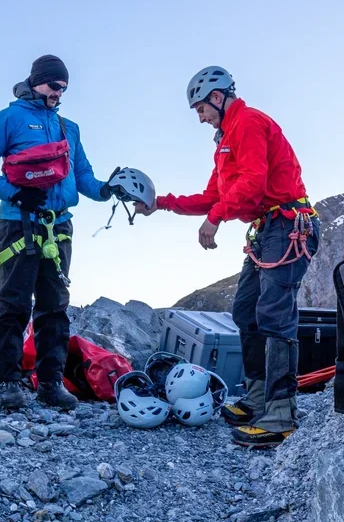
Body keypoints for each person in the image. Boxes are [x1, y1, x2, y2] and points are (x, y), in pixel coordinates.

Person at [135, 66, 320, 448]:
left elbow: (251, 185)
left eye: (201, 109)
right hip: (268, 229)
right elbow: (213, 194)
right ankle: (255, 398)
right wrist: (161, 204)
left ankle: (282, 413)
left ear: (217, 98)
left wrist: (214, 220)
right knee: (246, 311)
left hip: (287, 225)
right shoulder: (226, 139)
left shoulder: (249, 124)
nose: (200, 117)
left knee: (274, 314)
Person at [0, 54, 118, 410]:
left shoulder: (69, 127)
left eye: (64, 88)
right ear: (36, 81)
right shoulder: (9, 118)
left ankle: (51, 384)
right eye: (55, 85)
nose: (59, 93)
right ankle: (8, 384)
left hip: (60, 226)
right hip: (18, 221)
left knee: (54, 306)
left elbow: (83, 175)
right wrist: (13, 193)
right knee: (13, 303)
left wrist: (107, 190)